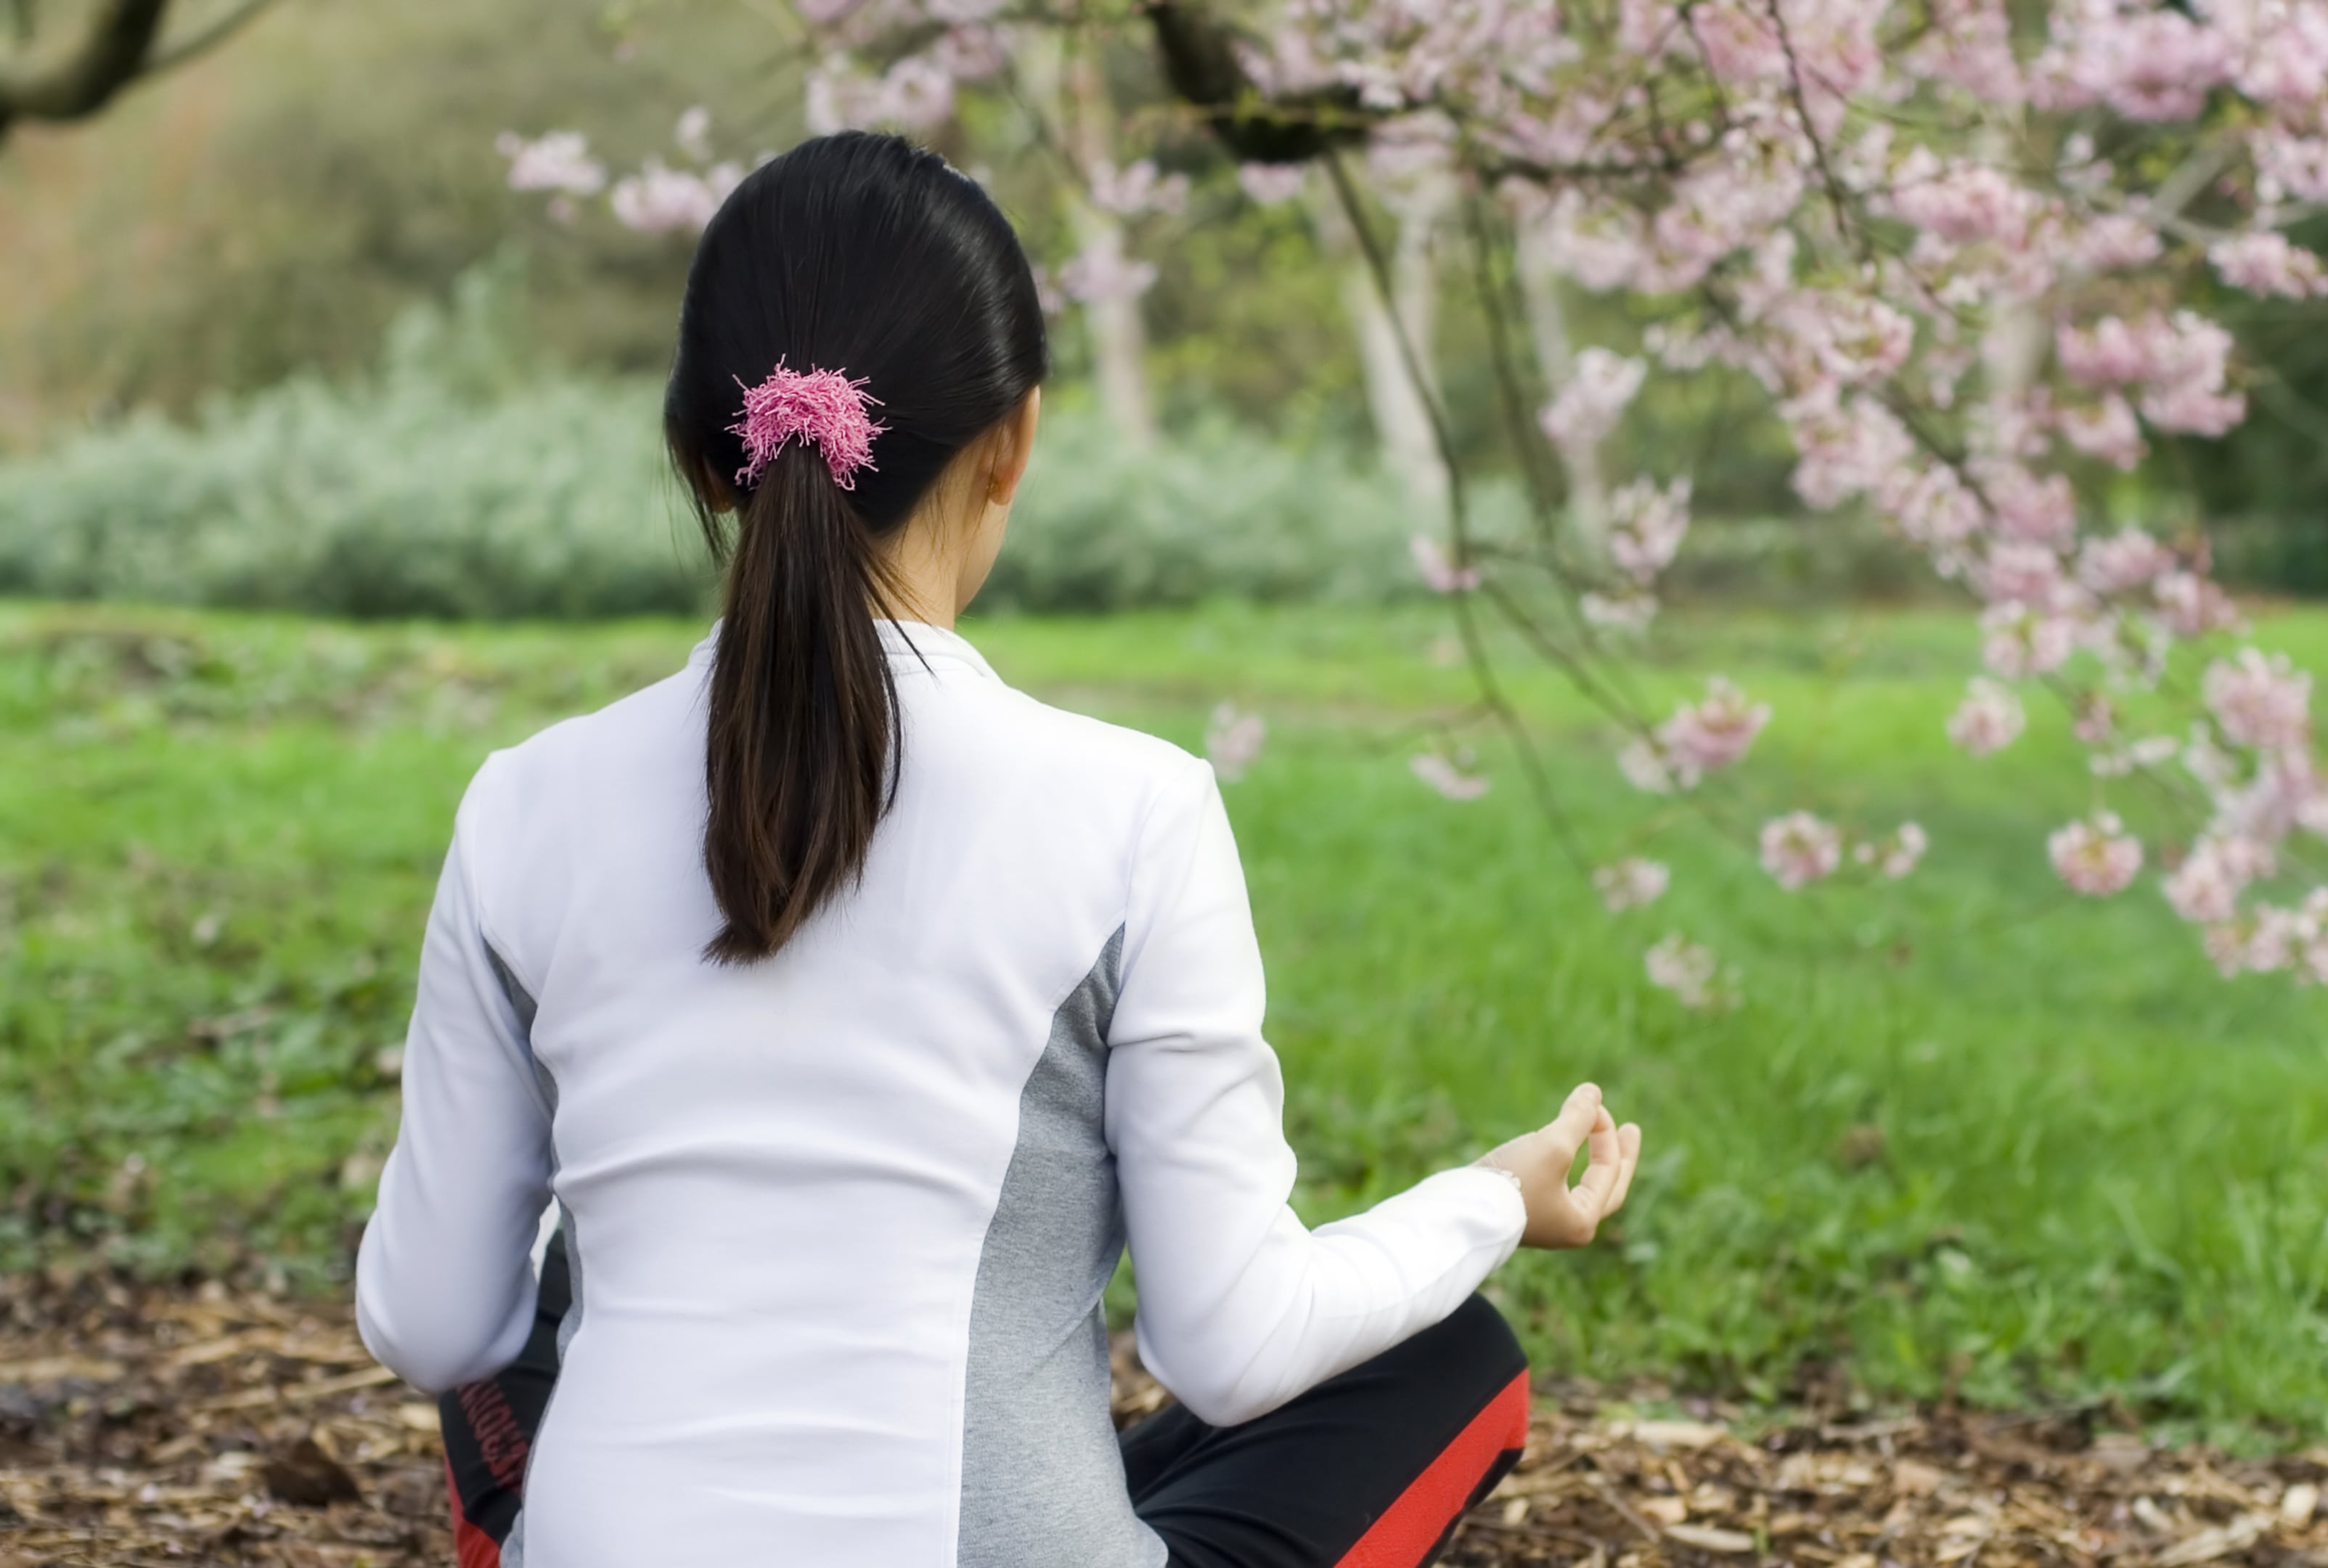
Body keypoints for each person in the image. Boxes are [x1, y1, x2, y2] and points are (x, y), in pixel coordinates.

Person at [352, 130, 1642, 1568]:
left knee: (538, 1292)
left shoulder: (523, 802)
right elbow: (1230, 1346)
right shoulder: (1134, 810)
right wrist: (1489, 1201)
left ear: (702, 459)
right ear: (1013, 440)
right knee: (1443, 1354)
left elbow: (432, 1324)